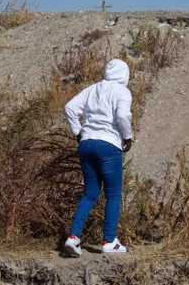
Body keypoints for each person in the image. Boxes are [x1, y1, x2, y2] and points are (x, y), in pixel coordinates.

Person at [62, 59, 135, 256]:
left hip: (86, 144)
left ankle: (73, 238)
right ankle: (109, 241)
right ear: (124, 75)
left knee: (90, 193)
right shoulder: (122, 92)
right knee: (112, 194)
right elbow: (122, 116)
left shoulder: (92, 89)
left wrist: (78, 131)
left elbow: (69, 107)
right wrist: (127, 136)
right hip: (108, 145)